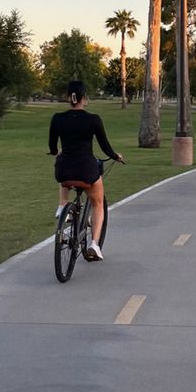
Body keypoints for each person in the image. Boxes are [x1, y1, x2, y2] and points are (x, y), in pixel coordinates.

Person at [48, 80, 124, 260]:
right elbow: (105, 147)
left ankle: (62, 206)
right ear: (84, 98)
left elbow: (52, 146)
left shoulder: (57, 118)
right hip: (86, 170)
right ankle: (94, 245)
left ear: (69, 98)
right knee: (98, 203)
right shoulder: (93, 120)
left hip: (64, 171)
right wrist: (116, 156)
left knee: (63, 166)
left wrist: (56, 152)